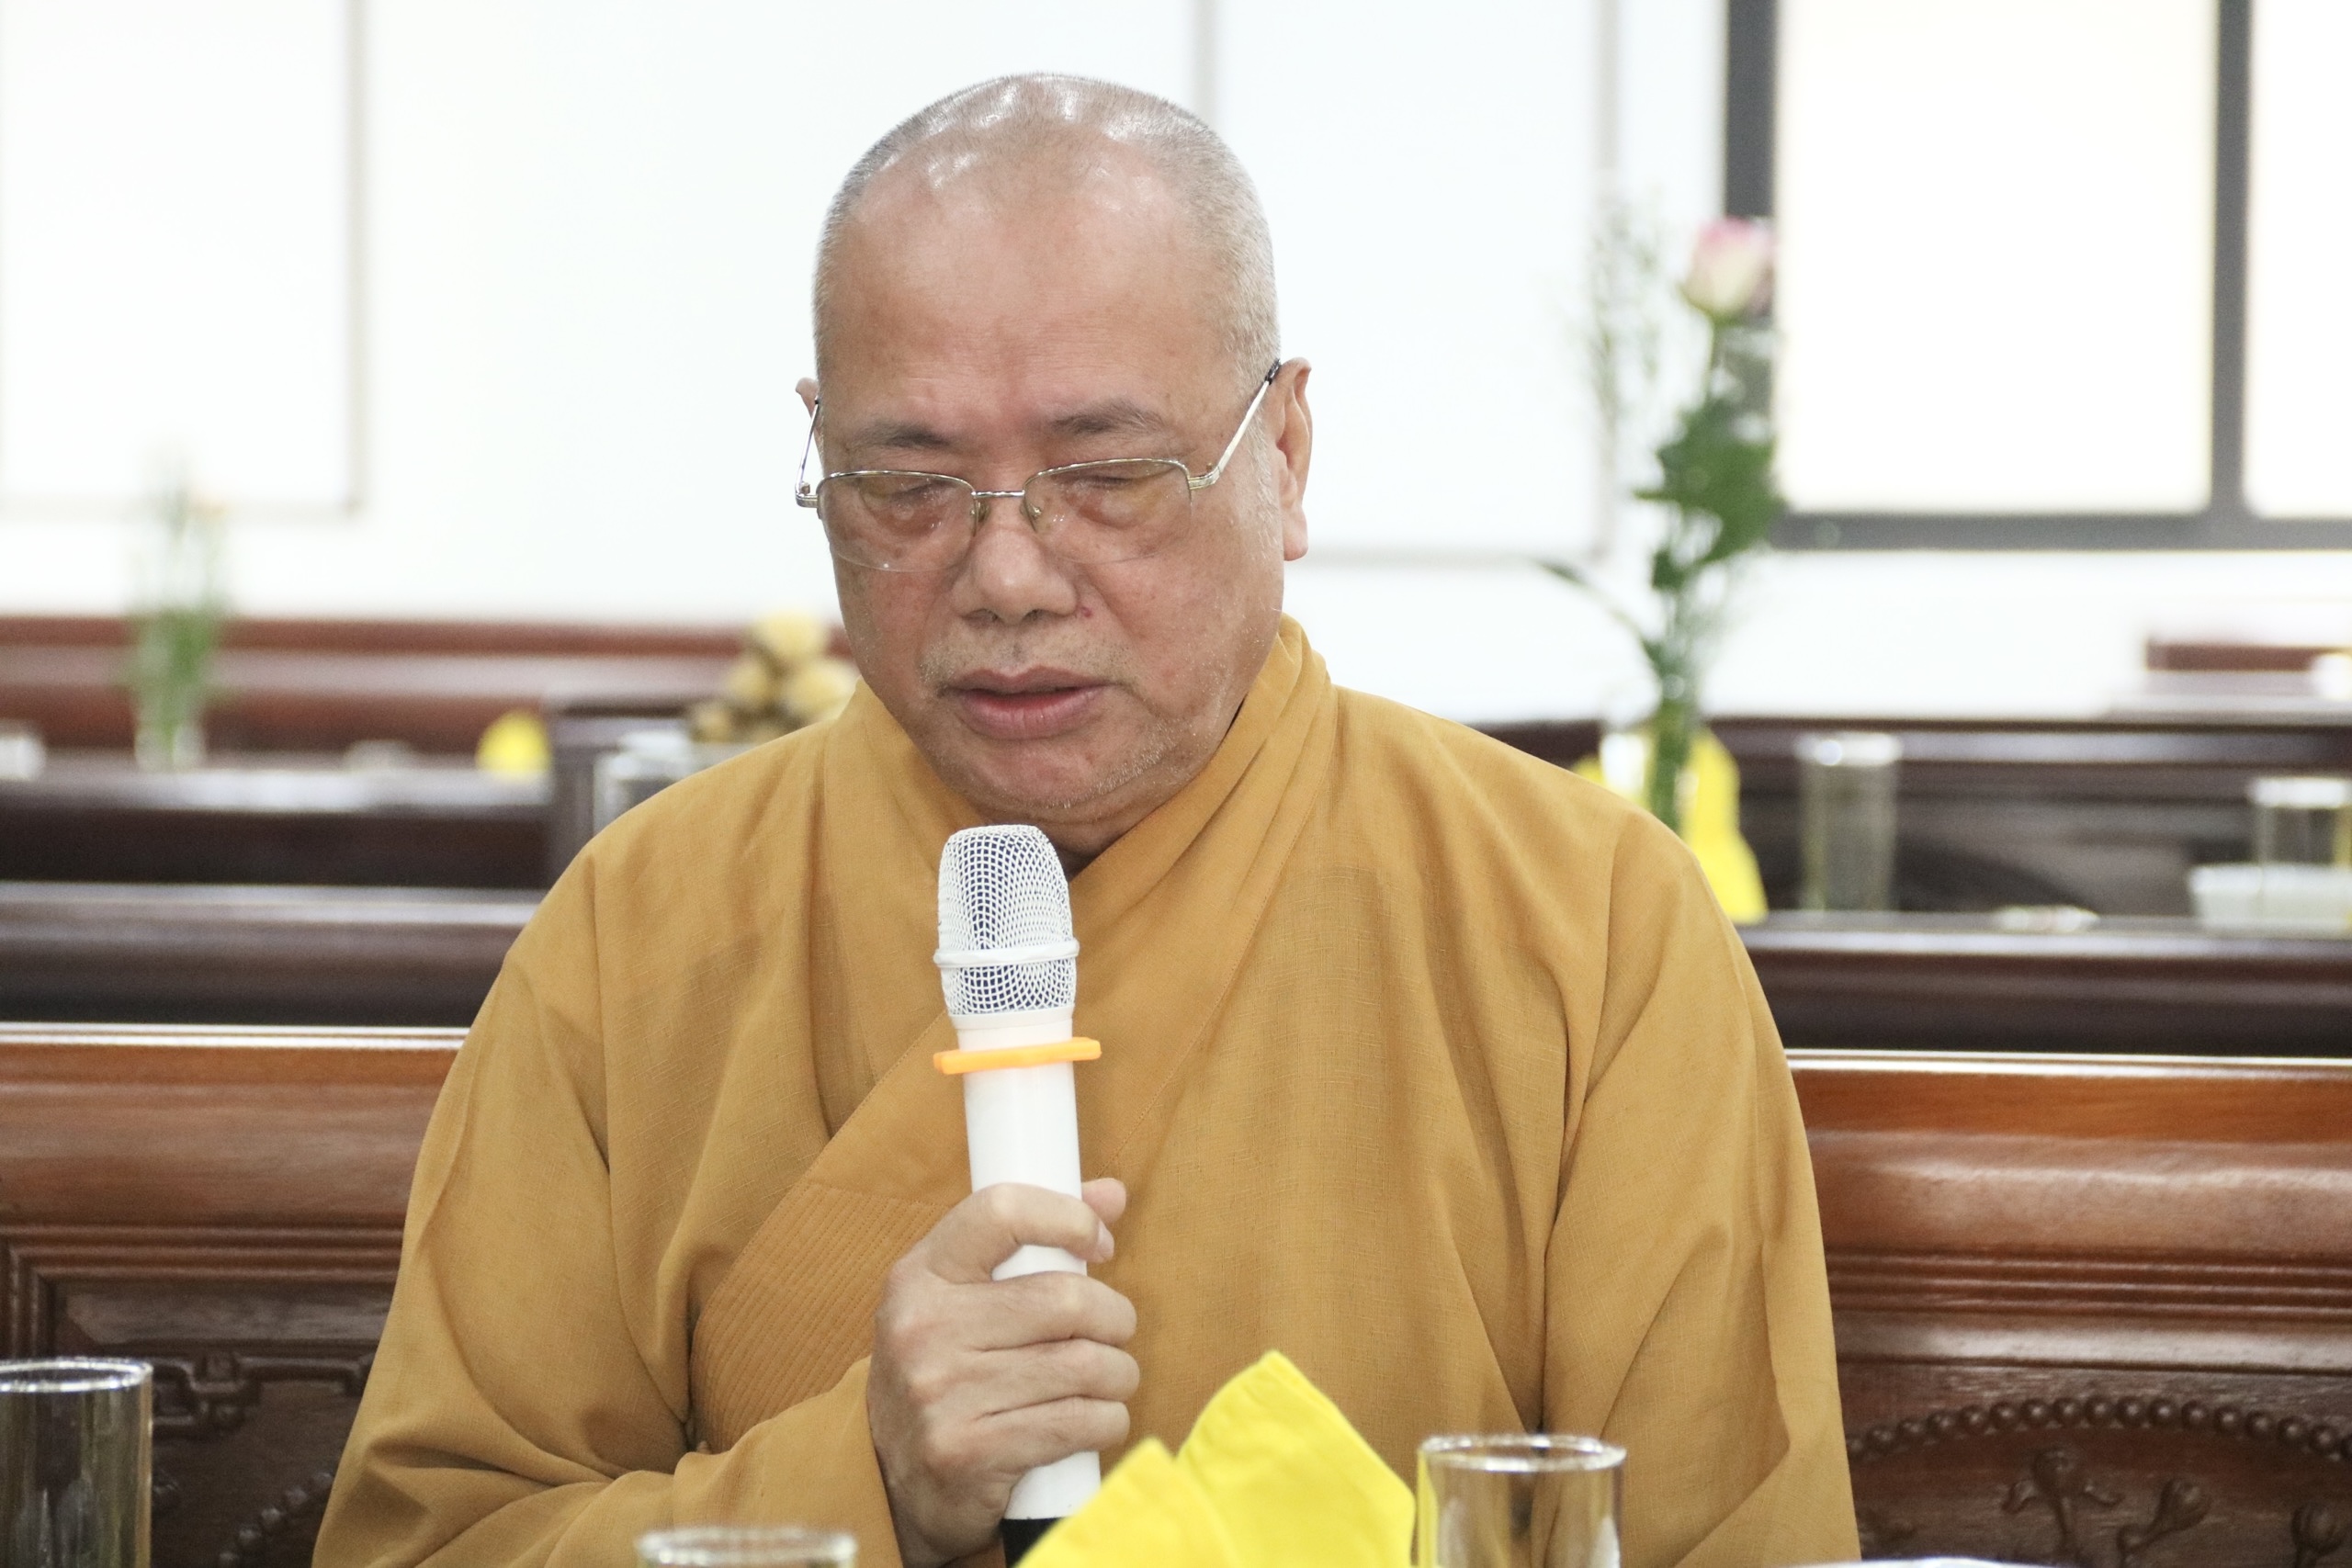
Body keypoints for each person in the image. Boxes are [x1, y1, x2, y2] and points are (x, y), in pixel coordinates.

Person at [315, 73, 1858, 1568]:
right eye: (907, 486)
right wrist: (865, 1481)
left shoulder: (1591, 929)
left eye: (1109, 476)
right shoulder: (637, 931)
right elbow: (441, 1540)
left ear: (1285, 456)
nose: (1006, 576)